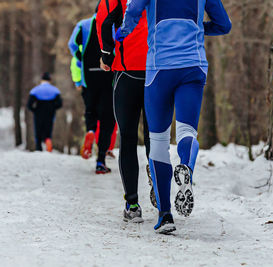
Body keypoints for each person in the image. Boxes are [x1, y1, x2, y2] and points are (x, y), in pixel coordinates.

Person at [116, 0, 231, 233]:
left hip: (160, 68)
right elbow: (224, 25)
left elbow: (133, 11)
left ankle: (165, 216)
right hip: (193, 66)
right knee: (187, 131)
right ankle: (186, 168)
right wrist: (199, 27)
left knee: (158, 141)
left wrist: (122, 33)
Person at [96, 0, 152, 223]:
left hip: (126, 71)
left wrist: (106, 54)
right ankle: (158, 188)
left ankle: (132, 204)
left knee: (127, 138)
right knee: (154, 137)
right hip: (156, 69)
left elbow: (104, 22)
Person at [68, 11, 116, 174]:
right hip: (108, 75)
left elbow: (72, 44)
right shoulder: (114, 23)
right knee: (107, 119)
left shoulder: (83, 25)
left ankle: (89, 130)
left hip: (88, 75)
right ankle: (101, 160)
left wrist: (81, 57)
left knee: (90, 110)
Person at [27, 72, 63, 152]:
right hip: (50, 113)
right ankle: (48, 142)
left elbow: (29, 105)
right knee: (48, 130)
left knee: (38, 132)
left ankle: (38, 148)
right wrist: (53, 108)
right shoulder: (55, 90)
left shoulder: (35, 90)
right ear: (50, 80)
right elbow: (60, 104)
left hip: (38, 113)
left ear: (41, 80)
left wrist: (34, 110)